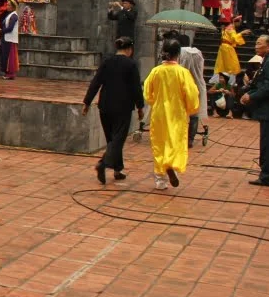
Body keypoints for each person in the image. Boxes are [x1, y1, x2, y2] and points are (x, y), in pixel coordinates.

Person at [83, 37, 143, 183]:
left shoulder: (107, 62)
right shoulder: (131, 64)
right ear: (129, 49)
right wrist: (140, 106)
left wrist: (87, 102)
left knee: (112, 139)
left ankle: (117, 169)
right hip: (122, 107)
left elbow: (96, 82)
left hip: (105, 105)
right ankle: (103, 164)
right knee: (118, 139)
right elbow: (136, 88)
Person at [142, 39, 199, 190]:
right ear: (178, 54)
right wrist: (191, 108)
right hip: (177, 113)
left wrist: (155, 101)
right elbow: (192, 94)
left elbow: (147, 93)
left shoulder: (156, 71)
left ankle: (161, 180)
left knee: (159, 143)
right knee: (175, 141)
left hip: (159, 112)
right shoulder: (183, 72)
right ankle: (171, 163)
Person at [241, 35, 269, 188]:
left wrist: (251, 96)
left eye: (259, 43)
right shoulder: (268, 60)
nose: (256, 46)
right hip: (268, 109)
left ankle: (268, 176)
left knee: (268, 144)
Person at [215, 20, 246, 85]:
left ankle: (224, 79)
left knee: (224, 64)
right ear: (235, 22)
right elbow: (234, 38)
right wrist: (242, 33)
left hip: (224, 46)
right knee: (232, 64)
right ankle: (230, 81)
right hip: (227, 47)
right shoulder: (231, 28)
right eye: (239, 22)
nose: (240, 24)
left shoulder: (228, 27)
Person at [0, 0, 20, 79]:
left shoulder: (14, 16)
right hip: (6, 38)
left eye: (9, 5)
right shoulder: (9, 14)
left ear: (13, 6)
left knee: (9, 57)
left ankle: (10, 73)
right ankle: (7, 73)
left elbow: (10, 28)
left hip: (10, 39)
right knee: (5, 56)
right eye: (7, 4)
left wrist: (1, 31)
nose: (7, 6)